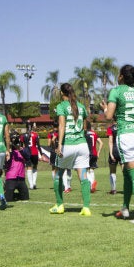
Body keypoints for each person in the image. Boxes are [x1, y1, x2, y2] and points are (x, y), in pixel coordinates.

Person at [100, 64, 134, 225]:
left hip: (127, 135)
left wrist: (104, 109)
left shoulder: (116, 91)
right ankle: (125, 208)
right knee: (129, 172)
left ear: (121, 76)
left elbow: (108, 116)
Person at [49, 83, 91, 216]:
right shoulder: (81, 106)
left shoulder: (61, 106)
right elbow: (85, 127)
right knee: (83, 176)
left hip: (68, 145)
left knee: (58, 174)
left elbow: (61, 126)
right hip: (82, 145)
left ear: (62, 93)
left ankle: (59, 205)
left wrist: (59, 144)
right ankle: (86, 208)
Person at [5, 130, 30, 202]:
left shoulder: (23, 150)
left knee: (25, 197)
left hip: (21, 178)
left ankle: (13, 195)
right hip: (11, 177)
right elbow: (7, 161)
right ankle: (4, 194)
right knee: (8, 199)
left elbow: (28, 158)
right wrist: (9, 149)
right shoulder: (8, 150)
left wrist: (19, 149)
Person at [84, 120, 102, 193]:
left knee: (84, 170)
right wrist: (98, 152)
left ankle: (92, 182)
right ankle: (92, 187)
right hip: (94, 153)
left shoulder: (84, 133)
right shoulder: (94, 133)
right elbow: (101, 143)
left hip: (87, 154)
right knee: (91, 169)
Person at [22, 123, 40, 190]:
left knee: (29, 168)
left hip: (27, 152)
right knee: (35, 167)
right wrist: (41, 153)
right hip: (34, 152)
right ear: (32, 127)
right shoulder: (35, 135)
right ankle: (34, 182)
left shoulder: (23, 135)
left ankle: (31, 185)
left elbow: (22, 144)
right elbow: (38, 145)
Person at [105, 122, 120, 194]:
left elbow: (110, 141)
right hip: (122, 150)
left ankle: (113, 189)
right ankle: (128, 188)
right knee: (126, 171)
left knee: (112, 171)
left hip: (114, 151)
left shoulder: (110, 128)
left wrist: (111, 154)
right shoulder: (122, 127)